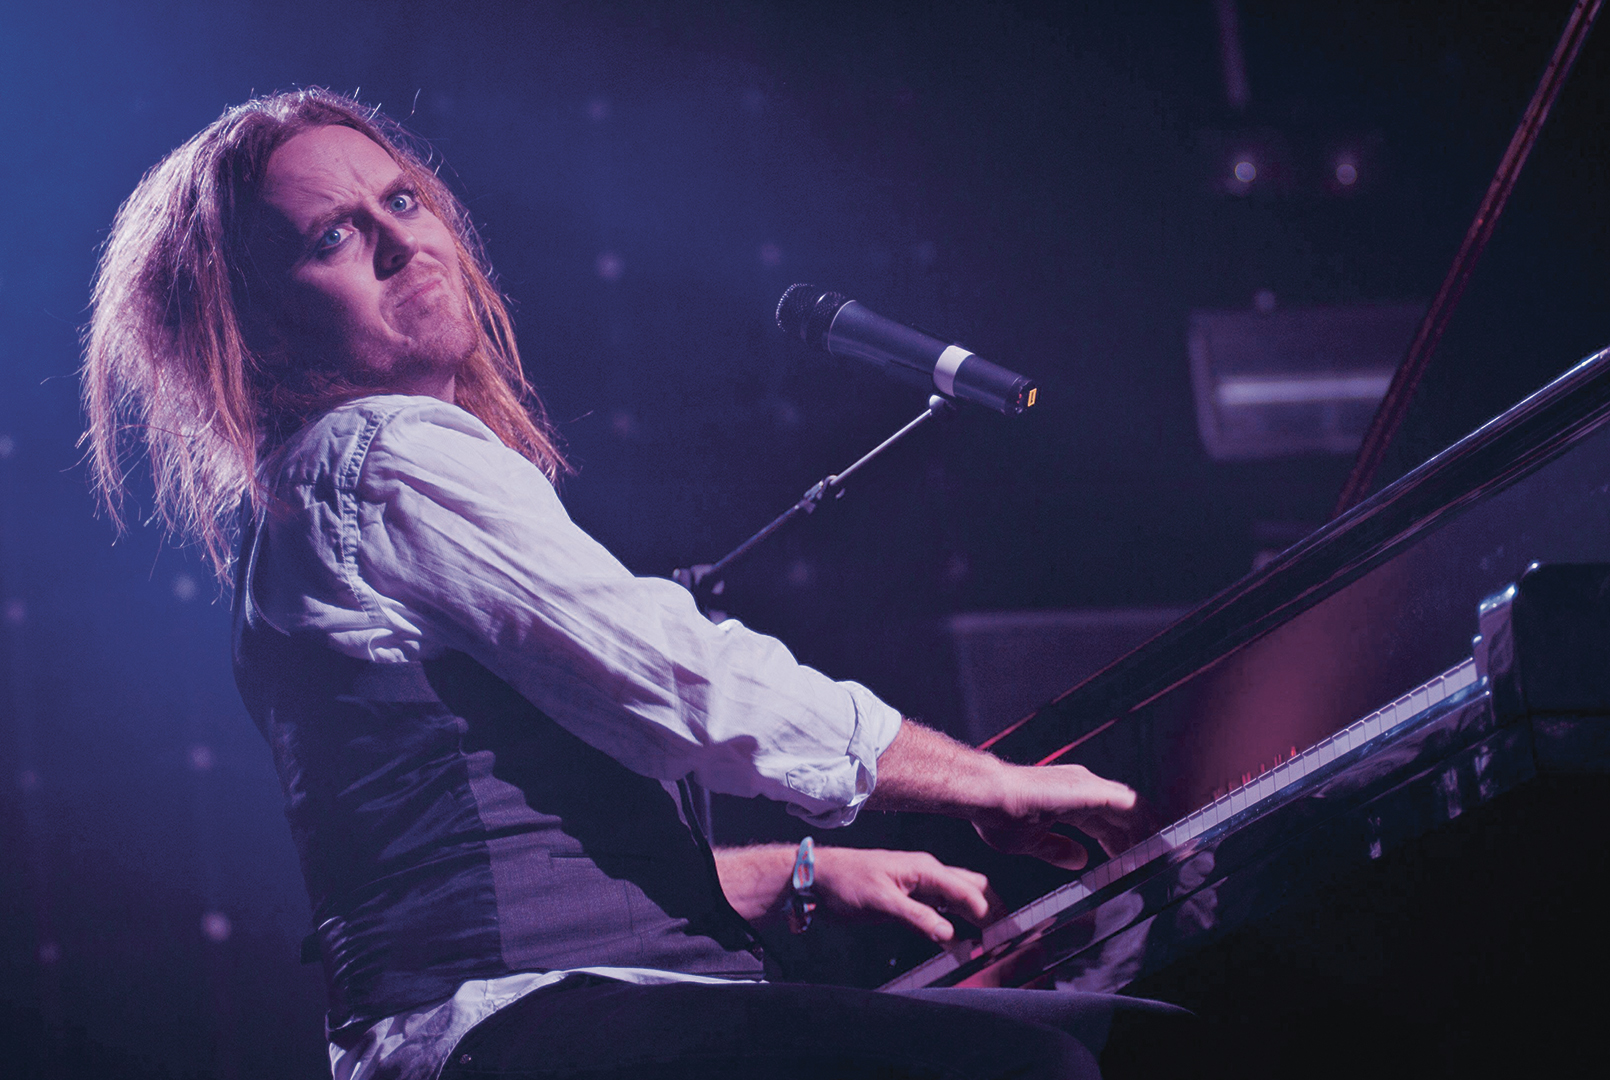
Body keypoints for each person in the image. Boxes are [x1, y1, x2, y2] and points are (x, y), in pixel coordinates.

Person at [82, 88, 1163, 1079]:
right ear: (260, 330)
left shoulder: (310, 505)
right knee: (1075, 1065)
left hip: (510, 1028)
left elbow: (467, 850)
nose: (402, 241)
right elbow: (683, 680)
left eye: (403, 200)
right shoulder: (374, 459)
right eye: (334, 236)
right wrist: (991, 780)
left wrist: (789, 873)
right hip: (529, 1033)